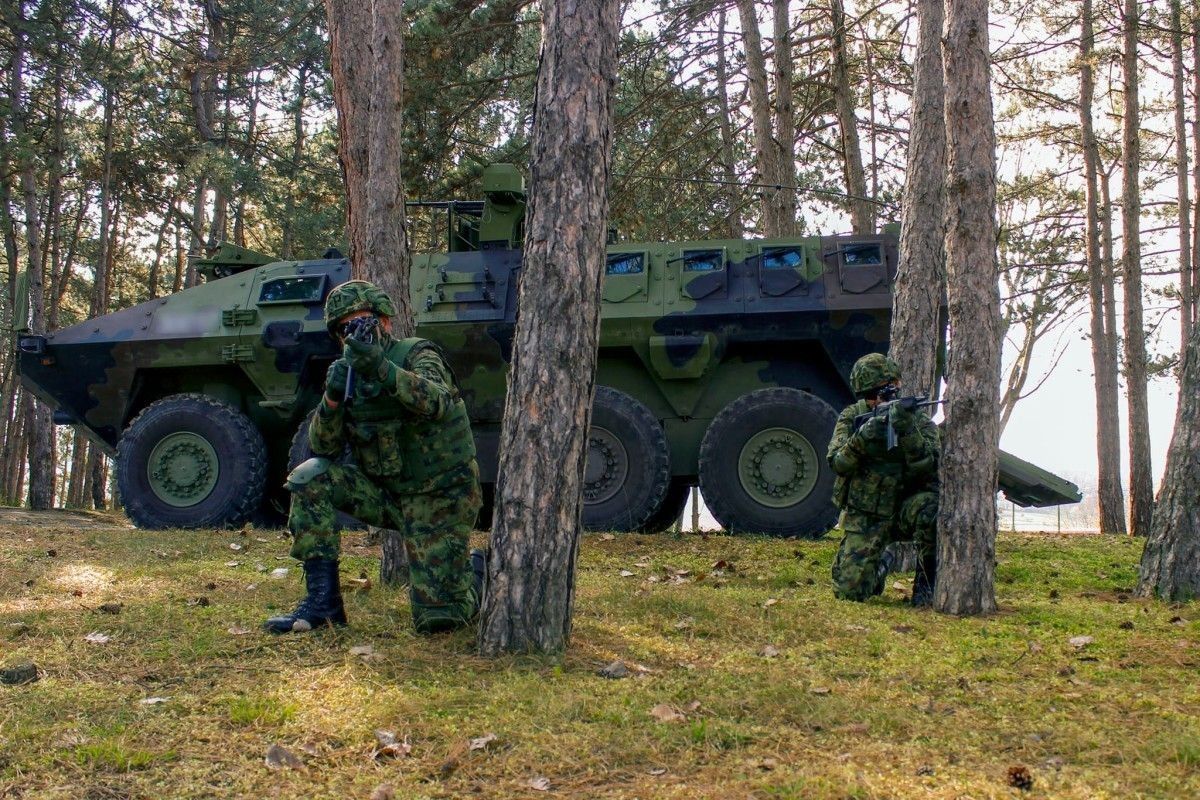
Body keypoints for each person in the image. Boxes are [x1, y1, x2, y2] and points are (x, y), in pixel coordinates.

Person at [264, 280, 484, 634]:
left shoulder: (417, 355)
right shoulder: (347, 374)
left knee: (441, 620)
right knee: (312, 477)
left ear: (385, 323)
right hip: (386, 495)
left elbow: (437, 403)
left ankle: (478, 571)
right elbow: (323, 448)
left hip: (440, 497)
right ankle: (323, 605)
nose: (353, 334)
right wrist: (333, 398)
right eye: (344, 329)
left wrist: (382, 369)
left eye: (362, 323)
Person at [826, 353, 940, 606]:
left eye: (883, 393)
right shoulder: (853, 417)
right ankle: (882, 564)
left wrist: (907, 431)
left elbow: (930, 464)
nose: (876, 401)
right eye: (870, 396)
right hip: (866, 515)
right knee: (849, 592)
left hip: (903, 509)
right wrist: (861, 439)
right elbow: (837, 463)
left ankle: (926, 585)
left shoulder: (917, 420)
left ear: (897, 387)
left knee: (931, 509)